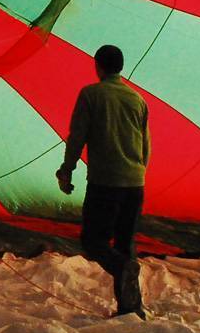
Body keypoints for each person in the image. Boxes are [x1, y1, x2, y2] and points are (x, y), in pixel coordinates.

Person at [56, 44, 150, 317]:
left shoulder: (91, 95)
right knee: (125, 244)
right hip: (135, 182)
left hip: (105, 182)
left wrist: (67, 170)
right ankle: (132, 309)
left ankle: (122, 270)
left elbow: (78, 136)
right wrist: (138, 172)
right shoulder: (137, 99)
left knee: (93, 240)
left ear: (97, 65)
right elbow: (146, 146)